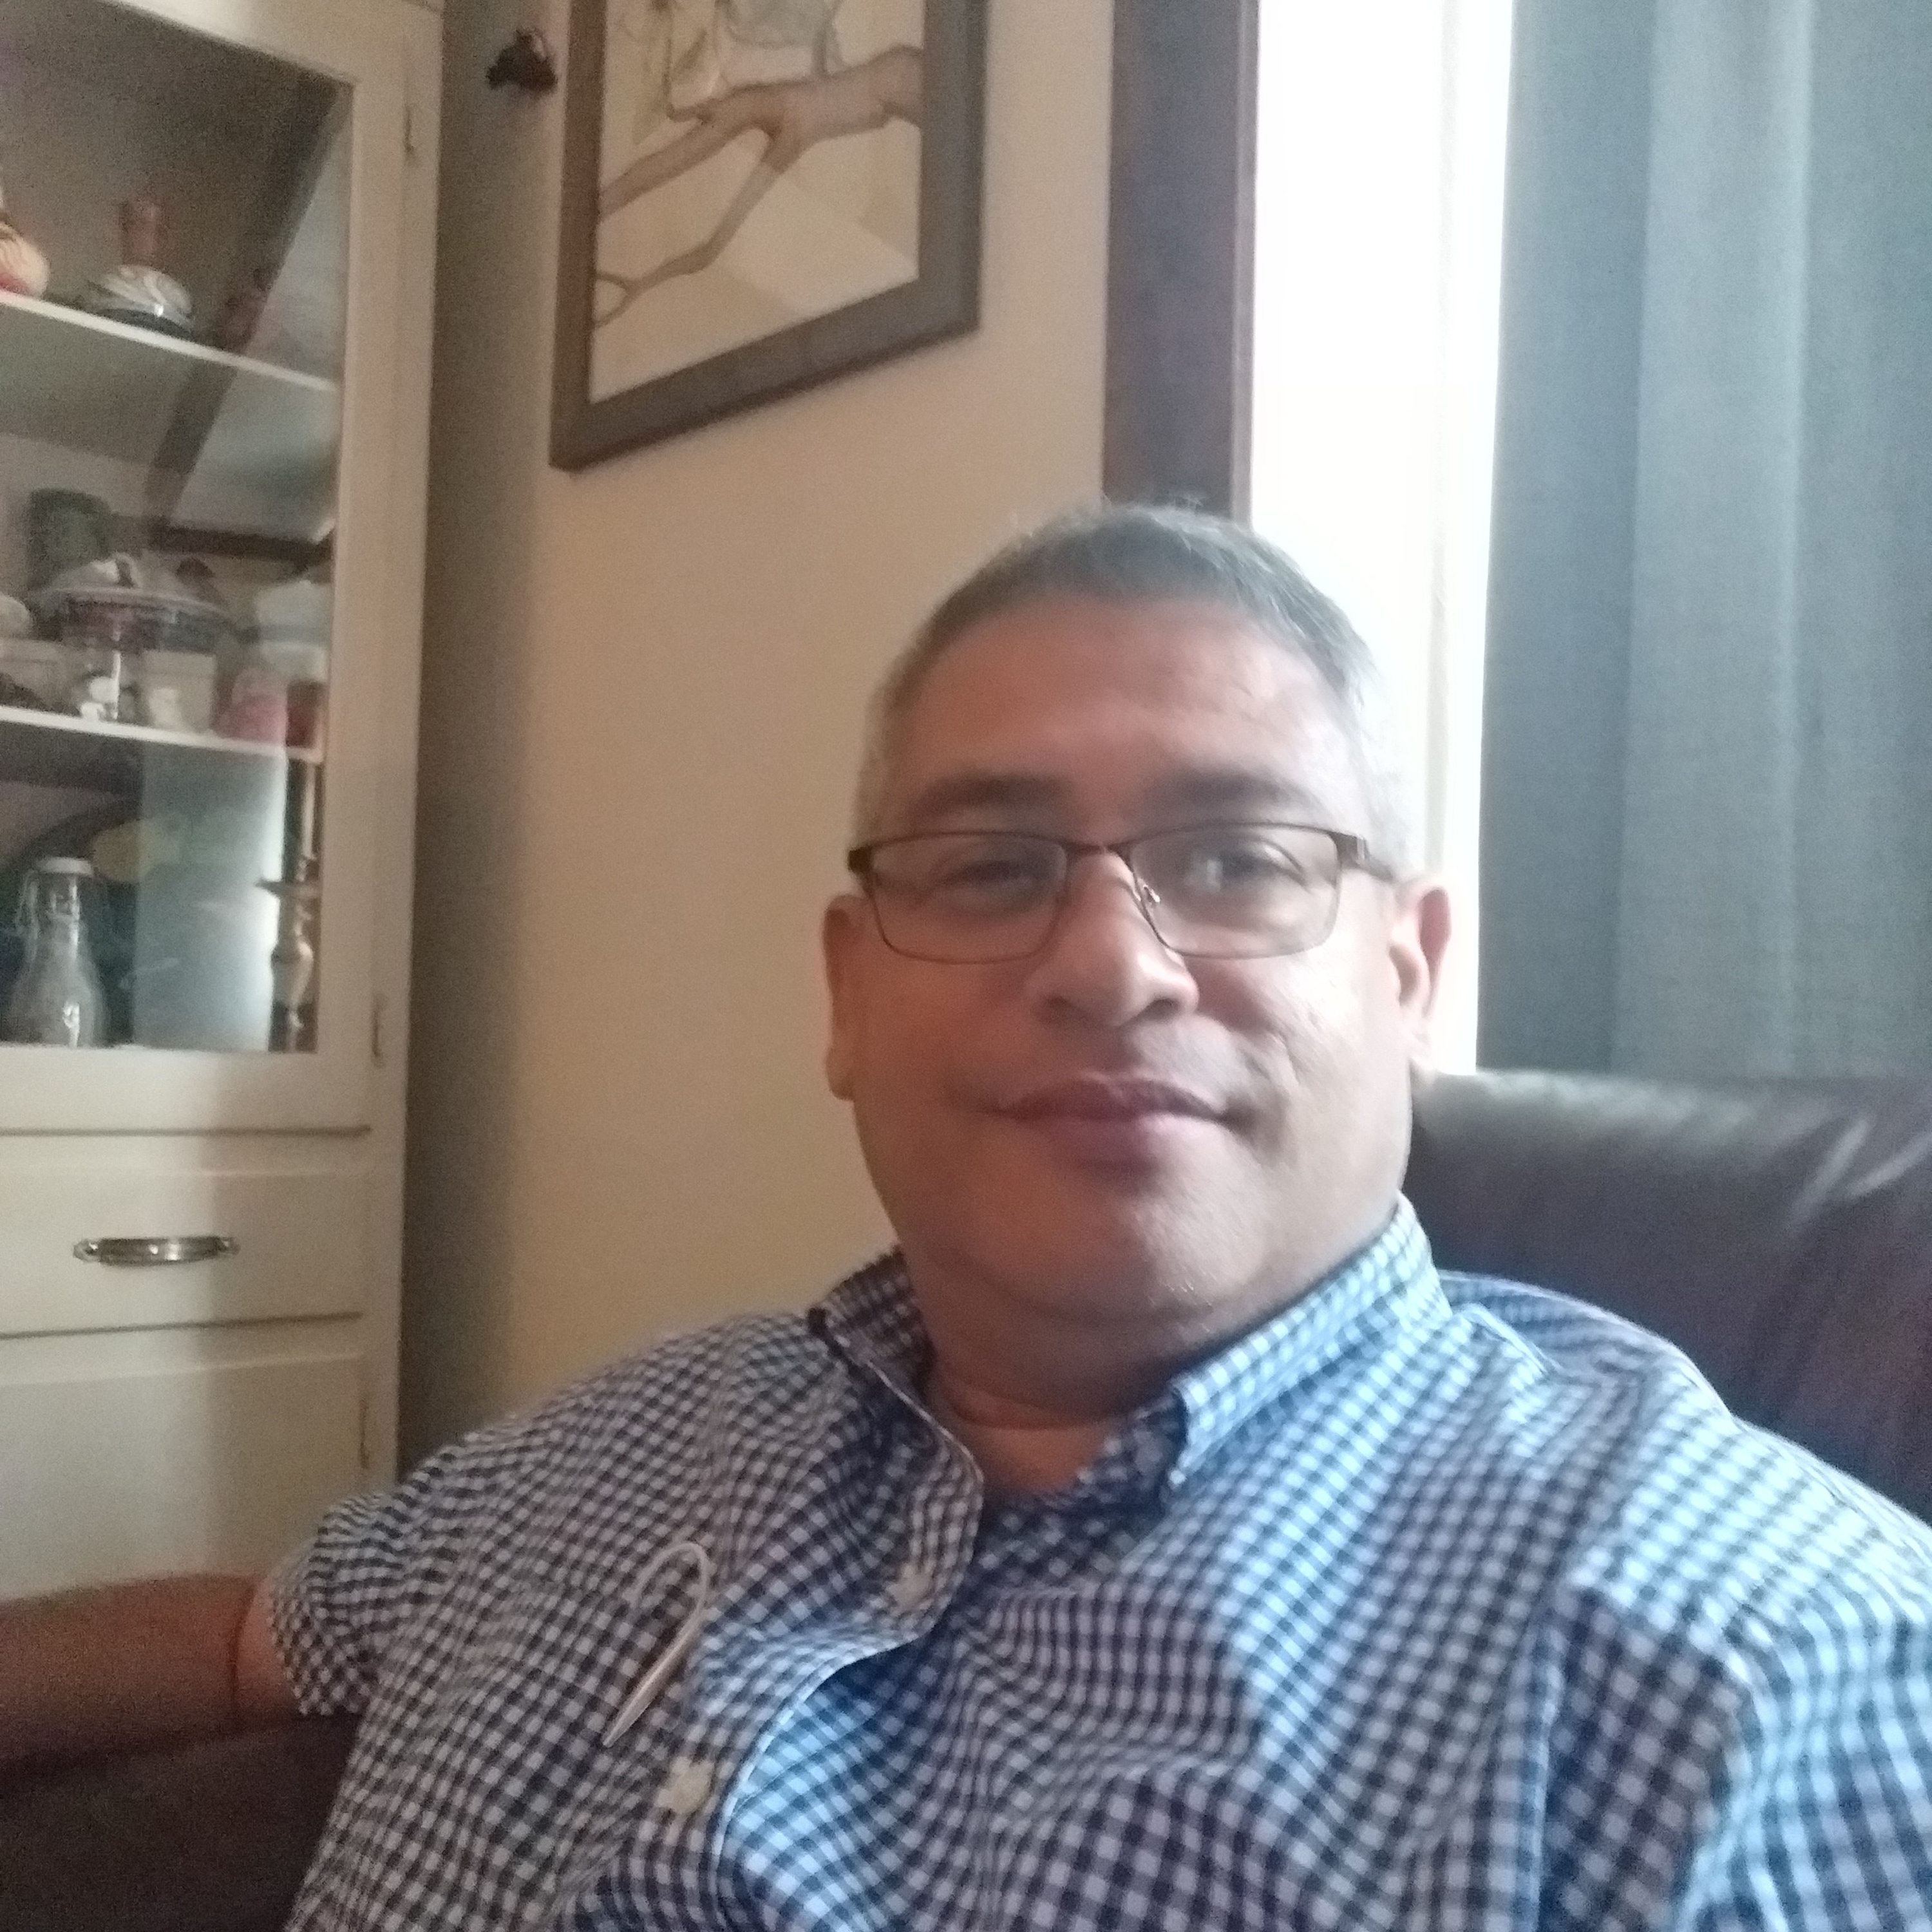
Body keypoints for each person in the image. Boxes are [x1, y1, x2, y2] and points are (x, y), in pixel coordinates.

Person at [4, 505, 1929, 1929]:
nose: (1110, 962)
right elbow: (252, 1642)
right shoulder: (616, 1448)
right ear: (849, 995)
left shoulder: (1769, 1677)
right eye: (992, 867)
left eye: (1238, 858)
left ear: (1408, 975)